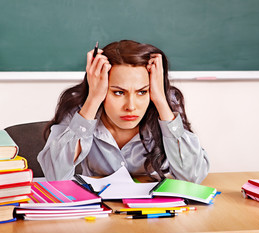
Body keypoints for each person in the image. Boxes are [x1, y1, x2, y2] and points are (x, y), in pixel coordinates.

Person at [38, 40, 209, 183]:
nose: (131, 106)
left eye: (142, 92)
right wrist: (93, 99)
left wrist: (160, 100)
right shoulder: (80, 109)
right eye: (118, 92)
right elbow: (56, 177)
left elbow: (192, 177)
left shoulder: (163, 106)